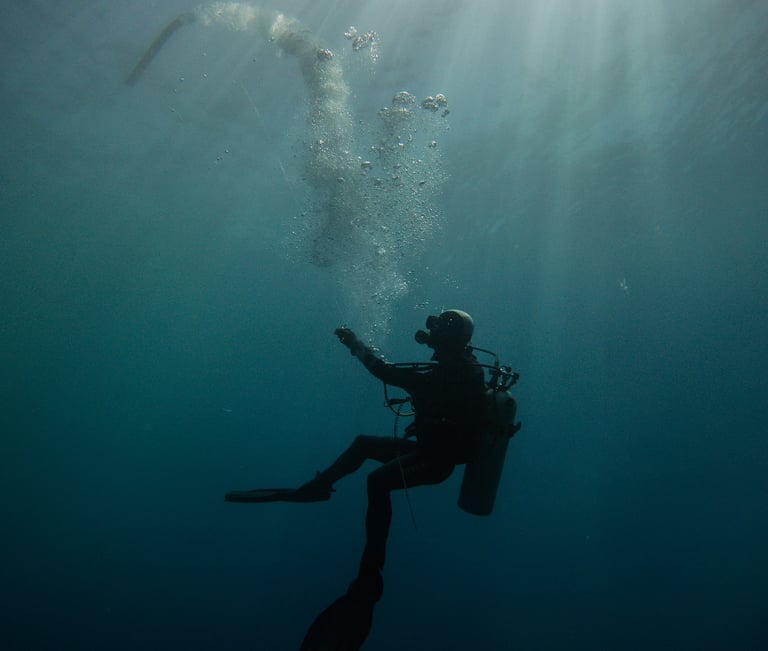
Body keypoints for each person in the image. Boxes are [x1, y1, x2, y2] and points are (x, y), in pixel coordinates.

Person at [227, 309, 489, 650]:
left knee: (378, 482)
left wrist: (353, 343)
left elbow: (383, 371)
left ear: (448, 339)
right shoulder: (462, 368)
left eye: (437, 332)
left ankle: (368, 582)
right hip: (427, 451)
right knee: (364, 445)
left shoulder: (447, 376)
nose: (430, 338)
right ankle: (317, 489)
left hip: (435, 462)